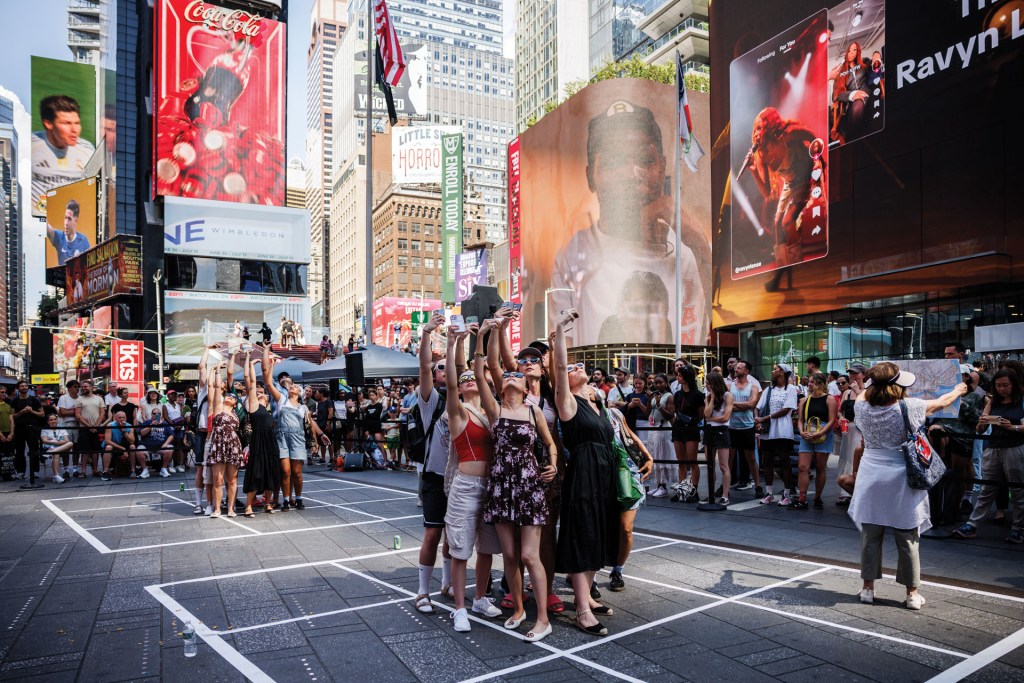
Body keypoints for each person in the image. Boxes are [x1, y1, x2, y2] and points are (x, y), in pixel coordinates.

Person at [548, 100, 706, 347]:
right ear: (592, 176)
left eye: (644, 159)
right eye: (614, 162)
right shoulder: (573, 254)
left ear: (661, 166)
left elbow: (718, 332)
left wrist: (699, 242)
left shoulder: (688, 253)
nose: (632, 172)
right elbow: (563, 350)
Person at [850, 362, 966, 609]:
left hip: (871, 475)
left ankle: (868, 588)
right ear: (897, 385)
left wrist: (871, 380)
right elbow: (943, 402)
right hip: (903, 476)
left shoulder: (860, 406)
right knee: (907, 535)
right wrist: (959, 389)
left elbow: (862, 391)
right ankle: (912, 593)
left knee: (870, 535)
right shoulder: (909, 406)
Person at [475, 318, 557, 642]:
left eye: (517, 374)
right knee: (508, 555)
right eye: (508, 374)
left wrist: (550, 464)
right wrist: (488, 333)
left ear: (525, 387)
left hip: (528, 487)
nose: (511, 375)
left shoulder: (534, 412)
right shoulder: (495, 410)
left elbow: (550, 444)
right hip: (501, 486)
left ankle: (543, 620)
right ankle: (519, 610)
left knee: (528, 555)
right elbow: (487, 366)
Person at [551, 309, 619, 636]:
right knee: (581, 533)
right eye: (574, 367)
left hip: (603, 474)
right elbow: (561, 366)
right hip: (583, 472)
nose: (578, 368)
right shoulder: (566, 401)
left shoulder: (595, 403)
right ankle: (580, 609)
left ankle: (588, 598)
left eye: (583, 366)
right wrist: (561, 330)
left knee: (597, 533)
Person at [441, 328, 504, 633]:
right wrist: (453, 343)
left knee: (487, 547)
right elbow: (452, 383)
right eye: (464, 379)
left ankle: (480, 597)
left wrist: (483, 337)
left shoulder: (493, 412)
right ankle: (460, 608)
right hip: (465, 486)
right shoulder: (457, 412)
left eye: (472, 378)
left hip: (491, 486)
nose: (468, 381)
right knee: (460, 548)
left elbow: (482, 369)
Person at [952, 369, 1024, 543]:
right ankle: (972, 524)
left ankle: (1018, 528)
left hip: (1014, 448)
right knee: (986, 489)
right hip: (993, 448)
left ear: (1013, 385)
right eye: (998, 385)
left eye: (1005, 385)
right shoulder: (991, 402)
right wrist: (982, 423)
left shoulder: (1020, 402)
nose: (1002, 389)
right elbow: (980, 428)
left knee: (1018, 490)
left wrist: (1011, 427)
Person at [413, 313, 453, 616]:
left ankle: (449, 583)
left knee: (456, 534)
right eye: (440, 367)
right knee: (433, 533)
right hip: (435, 476)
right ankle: (422, 592)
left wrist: (457, 342)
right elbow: (424, 368)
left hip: (463, 477)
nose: (443, 370)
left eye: (446, 366)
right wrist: (427, 333)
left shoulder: (467, 399)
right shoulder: (431, 400)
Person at [263, 349, 330, 512]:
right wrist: (272, 365)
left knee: (297, 473)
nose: (292, 386)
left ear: (300, 393)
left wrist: (320, 435)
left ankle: (298, 498)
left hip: (298, 440)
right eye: (291, 385)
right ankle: (286, 500)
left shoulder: (303, 408)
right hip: (282, 439)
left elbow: (310, 424)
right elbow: (269, 383)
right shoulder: (282, 401)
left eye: (295, 386)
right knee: (285, 471)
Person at [31, 95, 95, 213]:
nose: (74, 129)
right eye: (67, 123)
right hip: (38, 224)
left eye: (77, 123)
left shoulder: (87, 151)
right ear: (48, 124)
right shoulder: (30, 146)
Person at [791, 372, 838, 510]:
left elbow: (832, 420)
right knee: (802, 467)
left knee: (820, 467)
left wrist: (821, 433)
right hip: (807, 433)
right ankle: (802, 497)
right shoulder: (804, 400)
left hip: (822, 434)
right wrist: (801, 432)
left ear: (820, 383)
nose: (809, 384)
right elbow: (800, 420)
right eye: (809, 382)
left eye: (812, 381)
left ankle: (818, 497)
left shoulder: (829, 399)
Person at [755, 363, 800, 506]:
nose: (773, 371)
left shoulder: (792, 389)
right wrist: (758, 421)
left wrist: (765, 419)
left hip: (782, 429)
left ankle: (786, 493)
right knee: (767, 460)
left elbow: (787, 409)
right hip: (768, 429)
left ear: (783, 372)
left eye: (776, 369)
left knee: (784, 460)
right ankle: (769, 493)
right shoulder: (769, 390)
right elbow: (757, 407)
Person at [241, 354, 280, 517]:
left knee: (271, 474)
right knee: (256, 474)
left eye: (262, 392)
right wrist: (250, 362)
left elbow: (269, 380)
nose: (259, 393)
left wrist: (272, 365)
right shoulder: (254, 407)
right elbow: (249, 382)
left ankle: (267, 503)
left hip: (271, 445)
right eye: (258, 393)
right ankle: (248, 506)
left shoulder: (270, 410)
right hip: (258, 444)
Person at [727, 360, 762, 498]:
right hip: (732, 427)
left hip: (747, 427)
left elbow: (752, 404)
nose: (736, 369)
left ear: (746, 371)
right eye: (736, 367)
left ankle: (758, 485)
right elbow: (725, 404)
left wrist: (732, 404)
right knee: (729, 458)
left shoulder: (753, 387)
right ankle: (725, 486)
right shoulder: (729, 386)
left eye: (739, 367)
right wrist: (743, 405)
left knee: (751, 458)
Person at [671, 366, 703, 501]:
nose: (677, 377)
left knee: (692, 461)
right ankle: (681, 490)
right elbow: (675, 410)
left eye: (679, 375)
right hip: (678, 429)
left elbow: (701, 415)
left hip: (691, 428)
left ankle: (694, 491)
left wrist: (691, 421)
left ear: (686, 377)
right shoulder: (677, 394)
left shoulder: (697, 395)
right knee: (681, 462)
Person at [836, 363, 867, 506]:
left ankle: (857, 491)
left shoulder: (868, 391)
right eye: (850, 373)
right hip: (847, 429)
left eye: (855, 373)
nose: (852, 376)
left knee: (856, 458)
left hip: (861, 430)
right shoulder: (847, 393)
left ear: (863, 375)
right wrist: (841, 417)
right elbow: (839, 410)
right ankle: (845, 492)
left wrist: (858, 391)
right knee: (845, 457)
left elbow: (869, 407)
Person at [703, 371, 734, 505]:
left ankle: (725, 494)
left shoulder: (728, 396)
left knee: (723, 465)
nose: (706, 385)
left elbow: (726, 417)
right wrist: (712, 397)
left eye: (708, 383)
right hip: (709, 431)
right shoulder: (708, 397)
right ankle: (711, 493)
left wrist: (713, 418)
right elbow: (706, 415)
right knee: (710, 464)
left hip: (721, 431)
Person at [10, 381, 44, 480]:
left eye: (25, 386)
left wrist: (31, 411)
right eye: (22, 386)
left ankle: (35, 471)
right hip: (19, 428)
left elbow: (42, 414)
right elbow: (12, 416)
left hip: (32, 428)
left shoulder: (34, 400)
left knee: (34, 450)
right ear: (18, 388)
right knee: (19, 451)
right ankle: (20, 472)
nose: (24, 387)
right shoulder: (14, 400)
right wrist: (21, 412)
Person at [74, 380, 107, 478]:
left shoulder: (99, 399)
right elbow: (77, 415)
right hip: (84, 428)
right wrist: (89, 426)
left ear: (92, 387)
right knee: (85, 450)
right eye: (82, 387)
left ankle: (95, 470)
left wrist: (96, 425)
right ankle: (83, 471)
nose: (84, 388)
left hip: (97, 428)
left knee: (96, 450)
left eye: (85, 386)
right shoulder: (79, 399)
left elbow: (102, 413)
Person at [102, 408, 147, 480]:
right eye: (119, 417)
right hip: (114, 445)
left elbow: (132, 441)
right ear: (115, 418)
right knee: (108, 447)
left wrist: (123, 430)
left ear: (126, 418)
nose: (122, 419)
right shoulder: (110, 425)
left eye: (123, 417)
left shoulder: (129, 426)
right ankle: (105, 472)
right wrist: (123, 449)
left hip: (125, 445)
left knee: (132, 446)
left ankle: (133, 470)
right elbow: (108, 441)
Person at [46, 199, 91, 266]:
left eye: (69, 219)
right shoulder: (59, 237)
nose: (66, 223)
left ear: (76, 221)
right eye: (65, 218)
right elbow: (45, 226)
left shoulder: (84, 241)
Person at [40, 413, 74, 483]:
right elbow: (44, 441)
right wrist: (56, 442)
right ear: (48, 422)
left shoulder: (62, 428)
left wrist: (59, 443)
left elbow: (66, 440)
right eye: (51, 420)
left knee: (70, 443)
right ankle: (56, 476)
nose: (53, 421)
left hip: (62, 448)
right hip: (51, 447)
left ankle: (51, 452)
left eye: (55, 419)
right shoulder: (44, 430)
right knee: (56, 454)